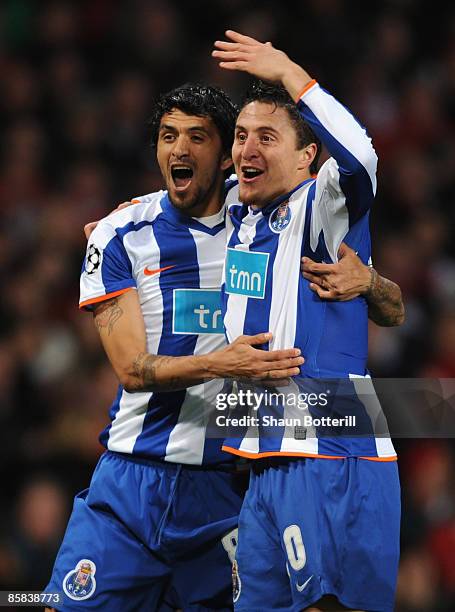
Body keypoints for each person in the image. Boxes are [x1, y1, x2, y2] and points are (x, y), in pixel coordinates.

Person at [45, 79, 402, 611]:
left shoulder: (274, 209)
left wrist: (370, 283)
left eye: (198, 137)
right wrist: (223, 363)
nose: (180, 151)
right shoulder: (123, 233)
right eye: (168, 137)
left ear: (225, 157)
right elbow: (130, 369)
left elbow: (392, 308)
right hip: (132, 475)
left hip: (229, 483)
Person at [212, 31, 401, 612]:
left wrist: (290, 72)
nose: (249, 148)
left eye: (268, 137)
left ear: (306, 157)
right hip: (262, 455)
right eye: (242, 136)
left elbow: (362, 157)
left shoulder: (319, 207)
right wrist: (118, 223)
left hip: (330, 446)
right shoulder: (236, 211)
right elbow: (170, 206)